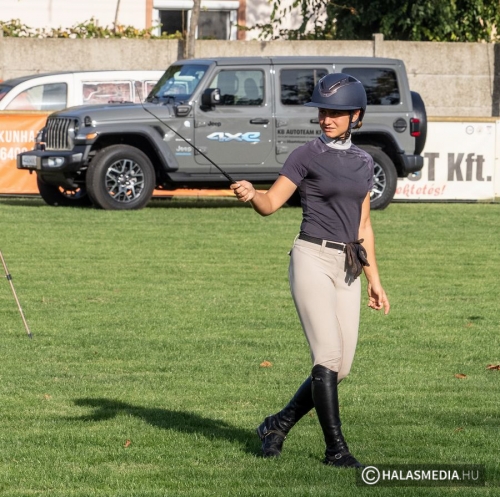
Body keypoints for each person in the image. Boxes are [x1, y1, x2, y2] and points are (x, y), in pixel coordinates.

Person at [230, 73, 390, 468]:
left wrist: (375, 280)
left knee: (342, 368)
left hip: (349, 266)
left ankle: (278, 424)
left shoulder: (365, 162)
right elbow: (270, 203)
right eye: (322, 111)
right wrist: (252, 195)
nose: (326, 119)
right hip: (311, 259)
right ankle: (336, 450)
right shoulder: (306, 155)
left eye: (335, 113)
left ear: (356, 115)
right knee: (328, 355)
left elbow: (364, 226)